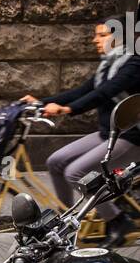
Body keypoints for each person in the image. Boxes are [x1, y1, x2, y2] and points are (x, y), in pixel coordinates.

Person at [23, 20, 140, 247]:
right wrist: (41, 102)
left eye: (101, 35)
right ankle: (66, 223)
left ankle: (118, 221)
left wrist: (68, 109)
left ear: (119, 38)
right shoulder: (109, 64)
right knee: (55, 161)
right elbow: (82, 91)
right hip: (110, 134)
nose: (95, 40)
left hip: (132, 137)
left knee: (75, 172)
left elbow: (105, 93)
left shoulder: (134, 64)